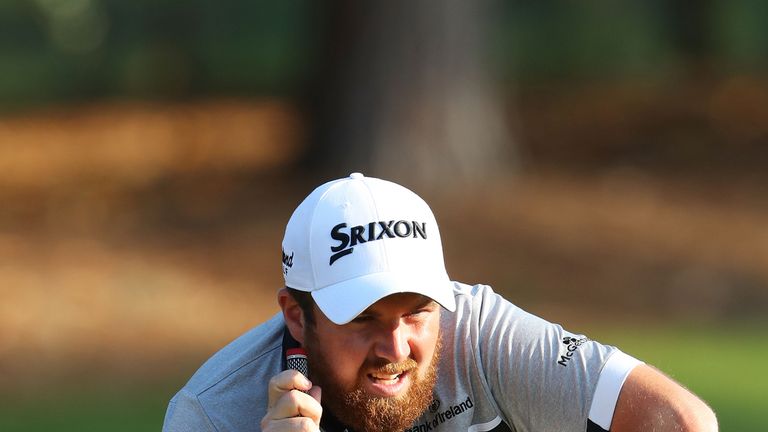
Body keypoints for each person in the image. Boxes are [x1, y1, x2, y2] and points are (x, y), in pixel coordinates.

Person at [163, 172, 718, 432]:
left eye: (418, 311)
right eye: (362, 318)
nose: (396, 346)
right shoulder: (212, 414)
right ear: (295, 316)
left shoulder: (477, 330)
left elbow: (681, 422)